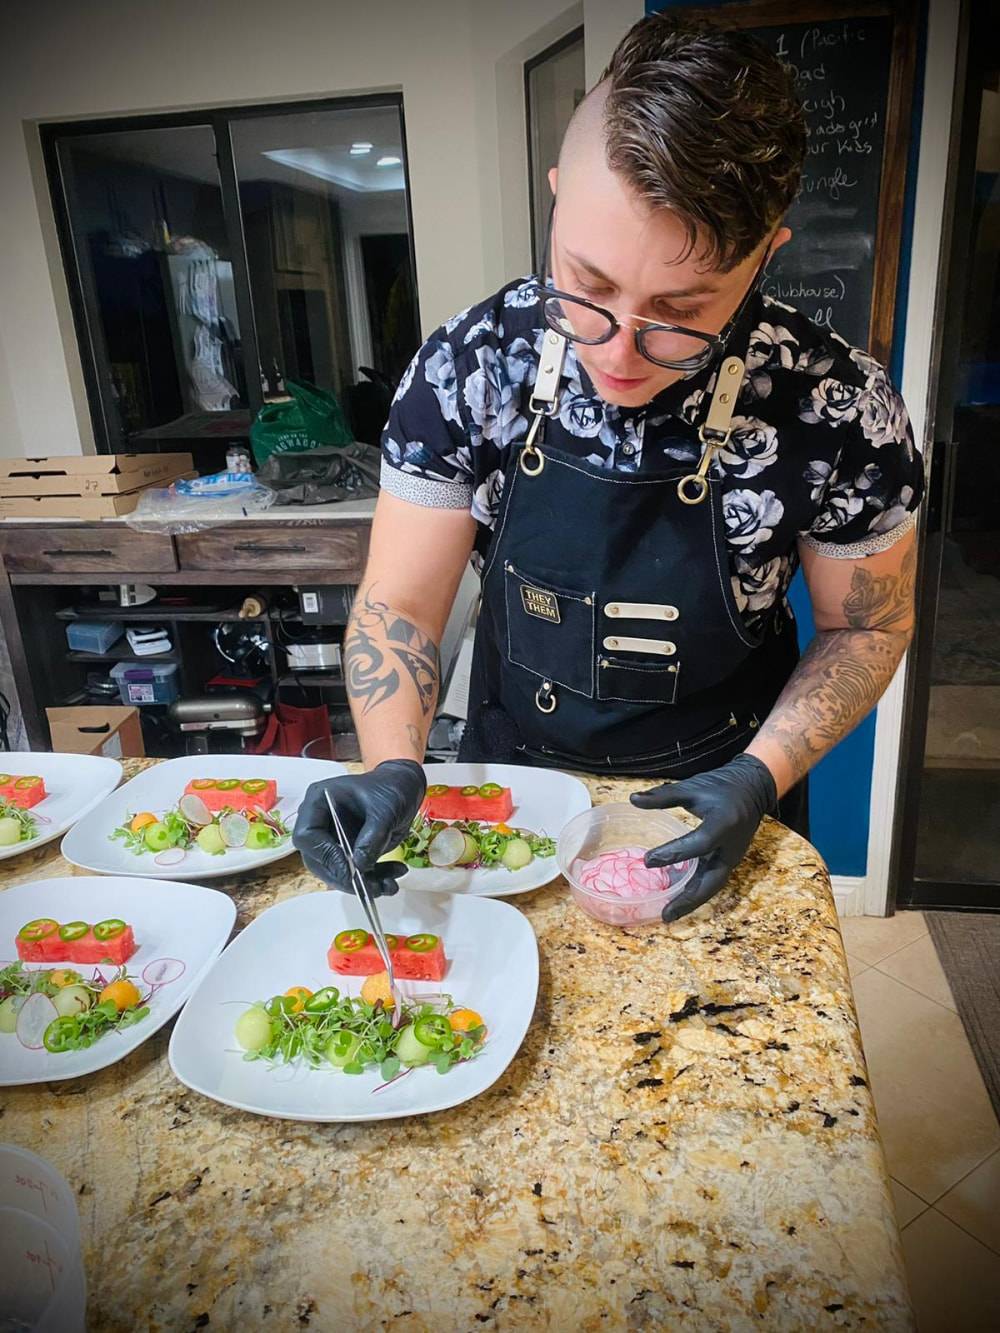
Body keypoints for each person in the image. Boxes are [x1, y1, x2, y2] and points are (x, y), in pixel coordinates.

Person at [293, 14, 922, 923]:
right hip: (509, 808)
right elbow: (401, 603)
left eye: (679, 309)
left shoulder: (836, 408)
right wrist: (392, 762)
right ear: (556, 198)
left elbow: (866, 627)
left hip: (720, 809)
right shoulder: (469, 367)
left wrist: (761, 775)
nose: (619, 352)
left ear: (766, 255)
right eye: (585, 286)